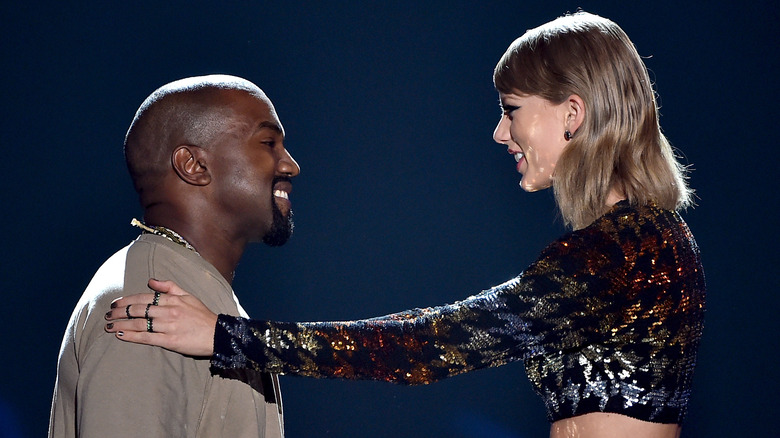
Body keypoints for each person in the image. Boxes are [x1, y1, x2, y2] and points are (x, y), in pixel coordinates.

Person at [105, 12, 705, 438]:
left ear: (572, 111)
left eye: (511, 110)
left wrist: (225, 337)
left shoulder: (625, 248)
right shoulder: (639, 240)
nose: (501, 133)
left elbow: (426, 347)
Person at [49, 75, 300, 437]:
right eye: (268, 142)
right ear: (194, 165)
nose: (290, 165)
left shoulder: (195, 303)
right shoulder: (147, 310)